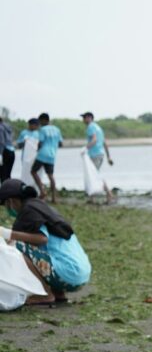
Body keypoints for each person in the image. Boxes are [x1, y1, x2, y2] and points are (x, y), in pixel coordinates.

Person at [0, 178, 91, 306]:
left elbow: (42, 238)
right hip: (81, 274)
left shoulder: (29, 211)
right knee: (43, 252)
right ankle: (58, 293)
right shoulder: (42, 209)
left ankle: (45, 294)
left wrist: (5, 233)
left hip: (66, 273)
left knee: (18, 247)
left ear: (11, 201)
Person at [81, 112, 114, 204]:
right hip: (100, 154)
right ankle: (92, 198)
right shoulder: (98, 128)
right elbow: (104, 143)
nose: (83, 120)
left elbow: (94, 140)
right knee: (94, 174)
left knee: (95, 175)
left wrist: (85, 148)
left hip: (94, 154)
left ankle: (109, 194)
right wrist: (108, 157)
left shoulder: (91, 127)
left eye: (84, 117)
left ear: (89, 118)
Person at [31, 113, 63, 203]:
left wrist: (37, 150)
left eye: (40, 121)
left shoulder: (43, 129)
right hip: (52, 155)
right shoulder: (57, 129)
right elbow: (60, 144)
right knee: (51, 176)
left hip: (42, 154)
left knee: (33, 171)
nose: (40, 123)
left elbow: (40, 142)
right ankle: (54, 198)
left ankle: (42, 191)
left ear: (44, 120)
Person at [0, 117, 13, 182]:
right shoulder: (7, 126)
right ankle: (8, 189)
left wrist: (1, 154)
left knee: (3, 174)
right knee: (8, 174)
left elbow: (1, 142)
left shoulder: (0, 128)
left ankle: (3, 191)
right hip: (11, 150)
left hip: (4, 151)